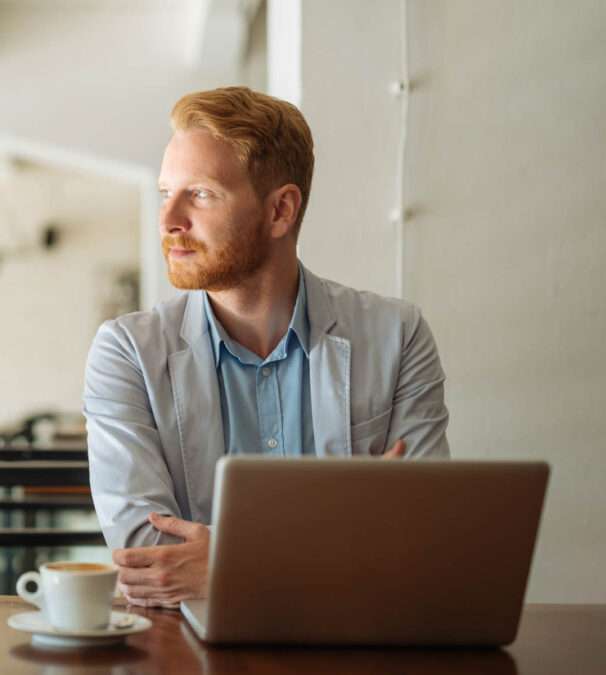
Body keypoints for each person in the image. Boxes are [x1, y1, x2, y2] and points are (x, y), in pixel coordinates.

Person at [82, 86, 450, 608]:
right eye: (167, 193)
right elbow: (151, 558)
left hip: (357, 647)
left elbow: (421, 539)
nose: (168, 221)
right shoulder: (126, 353)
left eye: (201, 194)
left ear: (280, 211)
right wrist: (344, 544)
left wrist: (229, 566)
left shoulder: (399, 334)